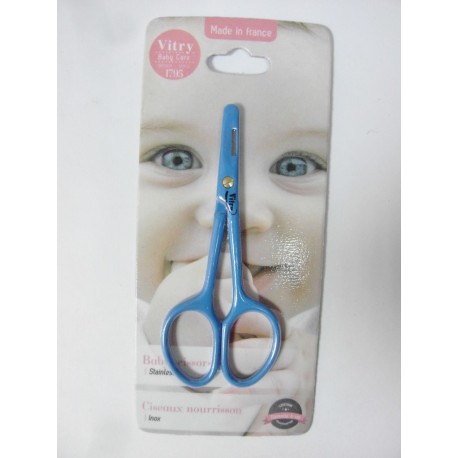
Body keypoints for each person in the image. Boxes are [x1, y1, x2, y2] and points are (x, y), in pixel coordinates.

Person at [137, 17, 332, 435]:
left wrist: (298, 394)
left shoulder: (330, 352)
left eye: (294, 165)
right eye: (177, 159)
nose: (242, 216)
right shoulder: (114, 336)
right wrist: (158, 350)